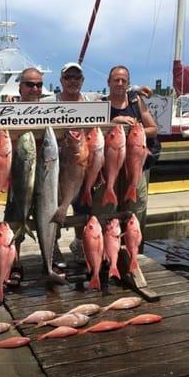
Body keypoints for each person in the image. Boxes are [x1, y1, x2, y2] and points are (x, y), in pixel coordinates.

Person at [69, 65, 158, 262]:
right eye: (115, 80)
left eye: (123, 80)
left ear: (128, 83)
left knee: (136, 207)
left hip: (134, 164)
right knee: (103, 208)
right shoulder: (101, 105)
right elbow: (91, 130)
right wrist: (113, 122)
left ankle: (133, 254)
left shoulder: (136, 101)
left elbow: (153, 129)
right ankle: (100, 253)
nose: (119, 83)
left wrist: (137, 129)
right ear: (108, 82)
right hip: (107, 167)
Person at [3, 67, 66, 285]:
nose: (34, 89)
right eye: (29, 84)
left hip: (46, 176)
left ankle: (48, 261)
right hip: (20, 176)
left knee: (49, 219)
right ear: (20, 86)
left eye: (39, 84)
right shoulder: (8, 110)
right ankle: (15, 263)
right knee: (14, 220)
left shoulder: (52, 111)